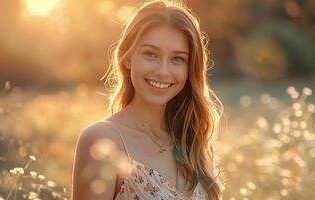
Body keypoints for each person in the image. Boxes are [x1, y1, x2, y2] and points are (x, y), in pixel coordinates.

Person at [71, 0, 225, 199]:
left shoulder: (193, 139)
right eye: (150, 54)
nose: (163, 71)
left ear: (190, 68)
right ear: (127, 57)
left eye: (177, 59)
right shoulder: (103, 140)